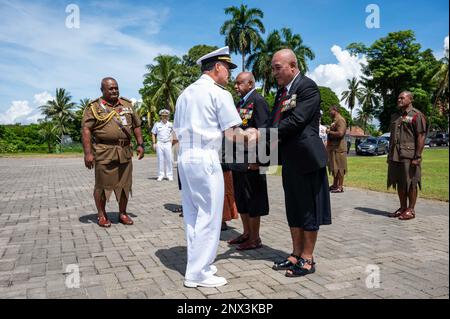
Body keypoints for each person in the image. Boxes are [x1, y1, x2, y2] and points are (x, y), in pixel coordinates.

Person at [173, 46, 259, 288]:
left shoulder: (184, 94)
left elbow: (177, 132)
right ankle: (198, 273)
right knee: (209, 215)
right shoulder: (219, 93)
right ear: (218, 68)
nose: (230, 74)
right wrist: (252, 135)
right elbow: (232, 133)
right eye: (228, 69)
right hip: (206, 156)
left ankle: (197, 265)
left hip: (186, 157)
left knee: (192, 214)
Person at [269, 49, 331, 277]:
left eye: (278, 67)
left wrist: (264, 132)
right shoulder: (281, 92)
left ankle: (307, 258)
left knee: (308, 210)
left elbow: (297, 120)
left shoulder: (307, 86)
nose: (274, 72)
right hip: (290, 159)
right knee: (293, 208)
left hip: (307, 158)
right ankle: (295, 253)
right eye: (273, 68)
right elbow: (273, 119)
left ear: (293, 66)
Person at [82, 77, 144, 227]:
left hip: (124, 150)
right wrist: (88, 153)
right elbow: (86, 129)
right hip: (104, 151)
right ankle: (102, 215)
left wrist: (141, 144)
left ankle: (122, 213)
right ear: (102, 90)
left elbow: (136, 126)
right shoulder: (94, 107)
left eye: (116, 88)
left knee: (125, 185)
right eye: (111, 89)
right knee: (102, 185)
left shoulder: (127, 105)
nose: (115, 90)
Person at [227, 71, 270, 250]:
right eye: (235, 83)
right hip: (238, 158)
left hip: (252, 161)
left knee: (253, 199)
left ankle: (255, 238)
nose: (235, 86)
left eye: (239, 83)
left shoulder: (258, 101)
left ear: (250, 84)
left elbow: (265, 132)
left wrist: (260, 160)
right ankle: (246, 233)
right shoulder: (241, 103)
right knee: (241, 198)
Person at [387, 91, 426, 220]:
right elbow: (392, 137)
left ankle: (411, 210)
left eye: (402, 98)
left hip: (409, 155)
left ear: (410, 99)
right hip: (395, 154)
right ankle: (403, 207)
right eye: (398, 98)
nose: (399, 100)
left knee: (411, 183)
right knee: (399, 182)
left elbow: (421, 136)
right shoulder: (395, 116)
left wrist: (417, 156)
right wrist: (389, 155)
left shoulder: (416, 115)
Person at [326, 106, 348, 193]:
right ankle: (335, 185)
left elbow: (340, 133)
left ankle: (340, 187)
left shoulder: (340, 120)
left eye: (330, 111)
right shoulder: (335, 120)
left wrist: (329, 131)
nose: (329, 113)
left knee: (340, 168)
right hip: (334, 148)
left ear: (335, 111)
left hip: (339, 148)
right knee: (334, 167)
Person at [151, 109, 174, 181]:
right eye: (163, 116)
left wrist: (171, 142)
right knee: (160, 159)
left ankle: (169, 175)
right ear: (161, 116)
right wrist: (154, 143)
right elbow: (153, 133)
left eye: (166, 116)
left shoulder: (170, 124)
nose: (164, 117)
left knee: (169, 159)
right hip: (160, 143)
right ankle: (160, 175)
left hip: (168, 143)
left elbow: (173, 133)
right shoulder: (157, 124)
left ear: (168, 116)